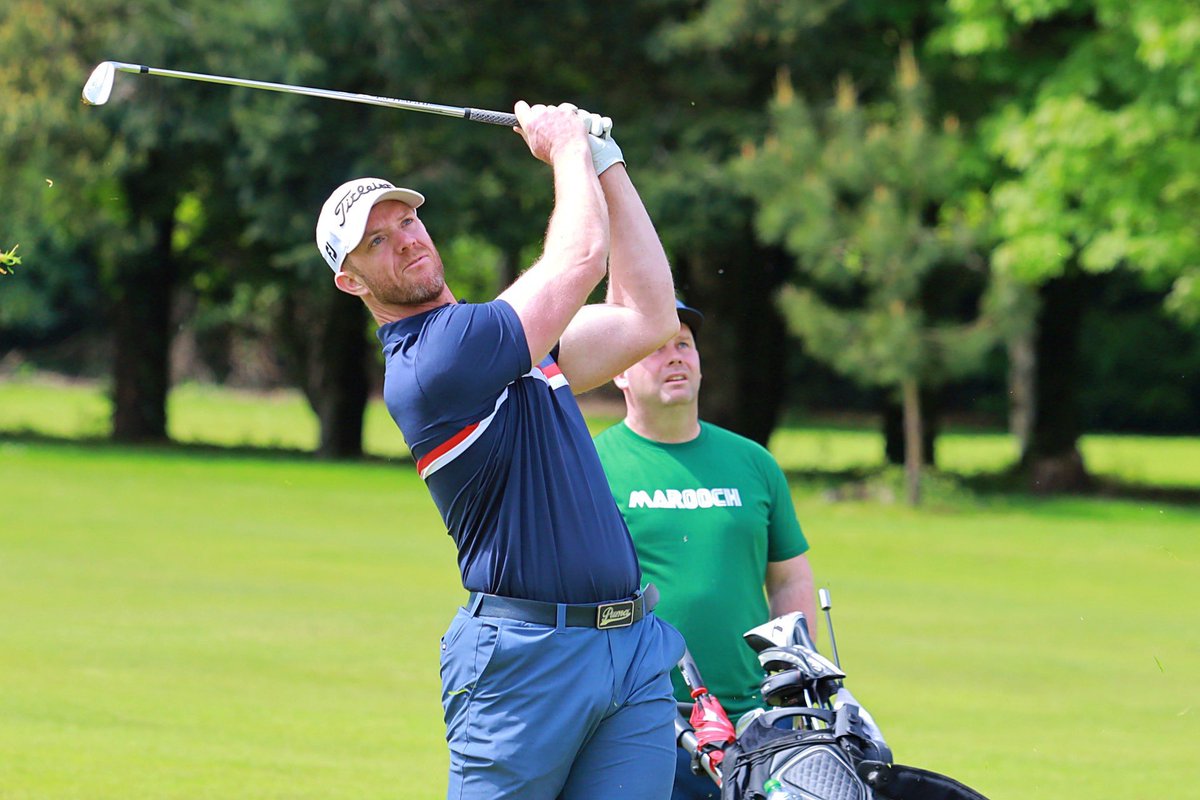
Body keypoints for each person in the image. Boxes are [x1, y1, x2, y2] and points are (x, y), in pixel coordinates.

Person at [314, 103, 685, 800]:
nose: (405, 241)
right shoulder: (438, 358)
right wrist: (567, 146)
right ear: (352, 281)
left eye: (407, 221)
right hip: (525, 662)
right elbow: (579, 260)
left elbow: (648, 318)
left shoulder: (508, 345)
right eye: (375, 243)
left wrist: (608, 165)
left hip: (630, 646)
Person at [593, 300, 816, 800]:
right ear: (618, 374)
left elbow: (788, 578)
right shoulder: (591, 466)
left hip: (760, 719)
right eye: (655, 348)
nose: (675, 357)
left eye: (684, 346)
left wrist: (797, 681)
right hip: (644, 717)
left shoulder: (753, 462)